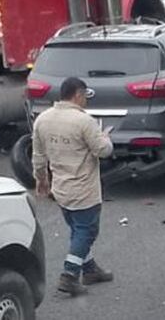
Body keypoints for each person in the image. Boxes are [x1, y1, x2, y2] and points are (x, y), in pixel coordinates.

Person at [31, 77, 115, 297]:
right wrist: (106, 138)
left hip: (60, 189)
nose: (86, 101)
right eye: (85, 96)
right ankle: (69, 276)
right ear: (78, 94)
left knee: (77, 229)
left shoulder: (43, 119)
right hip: (84, 190)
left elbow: (38, 157)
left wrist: (41, 181)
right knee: (87, 231)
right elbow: (102, 151)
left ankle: (90, 270)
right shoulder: (83, 121)